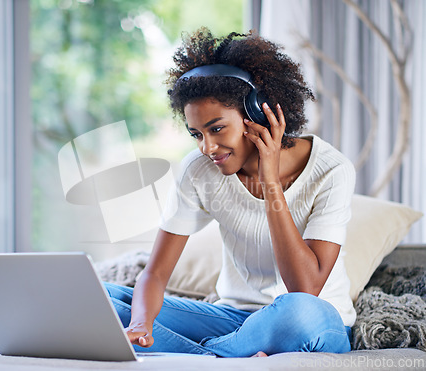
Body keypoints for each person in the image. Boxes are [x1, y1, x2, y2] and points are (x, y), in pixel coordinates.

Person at [104, 27, 356, 357]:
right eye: (196, 134)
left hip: (310, 321)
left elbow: (305, 289)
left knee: (299, 313)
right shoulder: (198, 170)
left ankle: (205, 356)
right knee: (104, 298)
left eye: (217, 128)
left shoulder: (331, 169)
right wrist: (140, 323)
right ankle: (230, 355)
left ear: (258, 114)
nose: (207, 147)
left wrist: (270, 181)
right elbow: (154, 273)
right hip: (233, 320)